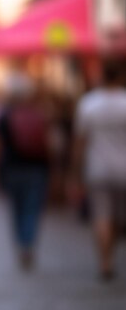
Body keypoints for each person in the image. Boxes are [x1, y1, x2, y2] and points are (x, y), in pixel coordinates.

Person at [0, 68, 53, 271]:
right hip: (37, 168)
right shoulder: (40, 114)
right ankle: (28, 243)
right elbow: (49, 144)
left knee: (17, 209)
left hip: (12, 169)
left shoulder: (4, 117)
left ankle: (21, 243)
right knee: (32, 209)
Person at [70, 57, 126, 282]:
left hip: (97, 169)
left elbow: (80, 141)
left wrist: (75, 169)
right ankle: (108, 258)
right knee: (119, 219)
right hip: (123, 170)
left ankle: (105, 261)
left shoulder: (88, 103)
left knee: (101, 216)